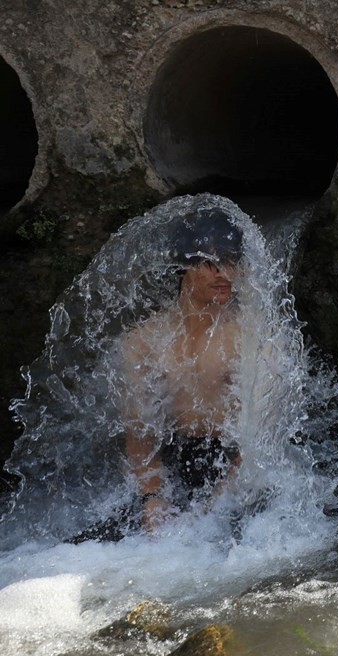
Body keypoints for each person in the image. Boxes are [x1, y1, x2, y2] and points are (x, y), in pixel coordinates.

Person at [118, 207, 245, 532]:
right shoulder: (144, 340)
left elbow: (261, 441)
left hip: (234, 468)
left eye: (231, 263)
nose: (225, 275)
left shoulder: (251, 336)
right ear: (184, 268)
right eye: (211, 264)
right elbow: (140, 431)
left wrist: (215, 506)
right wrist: (152, 497)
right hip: (174, 465)